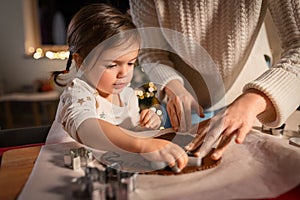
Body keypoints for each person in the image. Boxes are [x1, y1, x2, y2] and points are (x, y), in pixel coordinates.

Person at [129, 0, 300, 160]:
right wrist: (175, 88)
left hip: (257, 102)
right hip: (186, 103)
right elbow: (151, 53)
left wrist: (251, 103)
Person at [50, 3, 188, 170]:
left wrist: (148, 122)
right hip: (64, 170)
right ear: (81, 62)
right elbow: (86, 128)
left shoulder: (127, 95)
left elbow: (127, 136)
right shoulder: (78, 91)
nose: (124, 73)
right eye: (112, 65)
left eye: (130, 63)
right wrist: (142, 144)